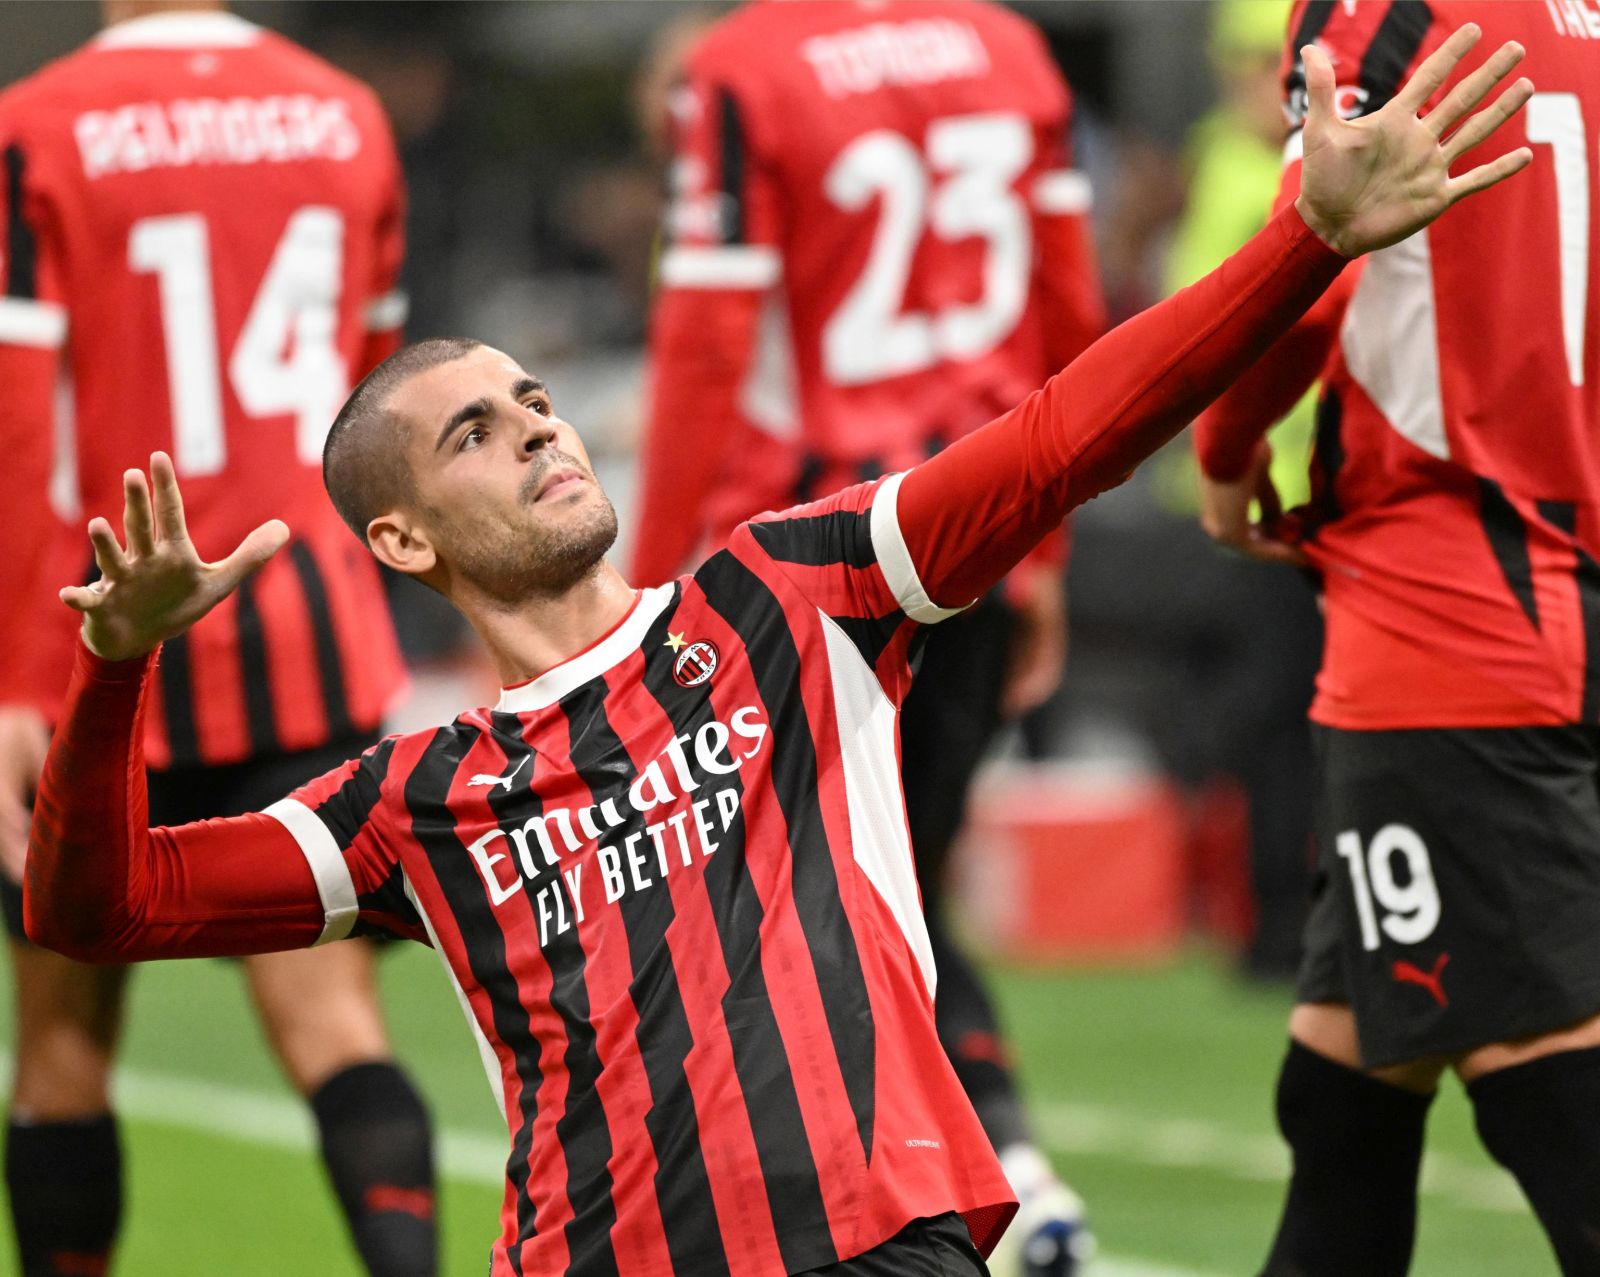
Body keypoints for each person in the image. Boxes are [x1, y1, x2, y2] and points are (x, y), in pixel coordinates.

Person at [24, 25, 1528, 1277]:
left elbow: (1065, 435)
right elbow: (95, 907)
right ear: (404, 539)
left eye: (535, 396)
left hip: (890, 1250)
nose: (539, 423)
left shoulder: (787, 597)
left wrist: (1304, 242)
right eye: (473, 433)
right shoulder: (413, 799)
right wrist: (113, 672)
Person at [629, 3, 1104, 1268]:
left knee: (812, 894)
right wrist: (1044, 540)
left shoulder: (739, 66)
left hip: (815, 554)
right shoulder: (1007, 47)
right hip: (982, 518)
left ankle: (963, 1185)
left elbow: (706, 335)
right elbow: (1068, 299)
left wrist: (648, 573)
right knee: (901, 882)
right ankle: (1006, 1174)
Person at [0, 3, 437, 1274]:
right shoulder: (344, 113)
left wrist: (16, 678)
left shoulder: (36, 128)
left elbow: (20, 431)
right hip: (306, 643)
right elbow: (373, 401)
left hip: (93, 654)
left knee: (63, 1040)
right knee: (335, 1026)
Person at [1193, 2, 1599, 1274]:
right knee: (1345, 1098)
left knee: (1554, 1098)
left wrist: (1226, 447)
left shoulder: (1379, 14)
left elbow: (1308, 255)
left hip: (1453, 604)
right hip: (1557, 583)